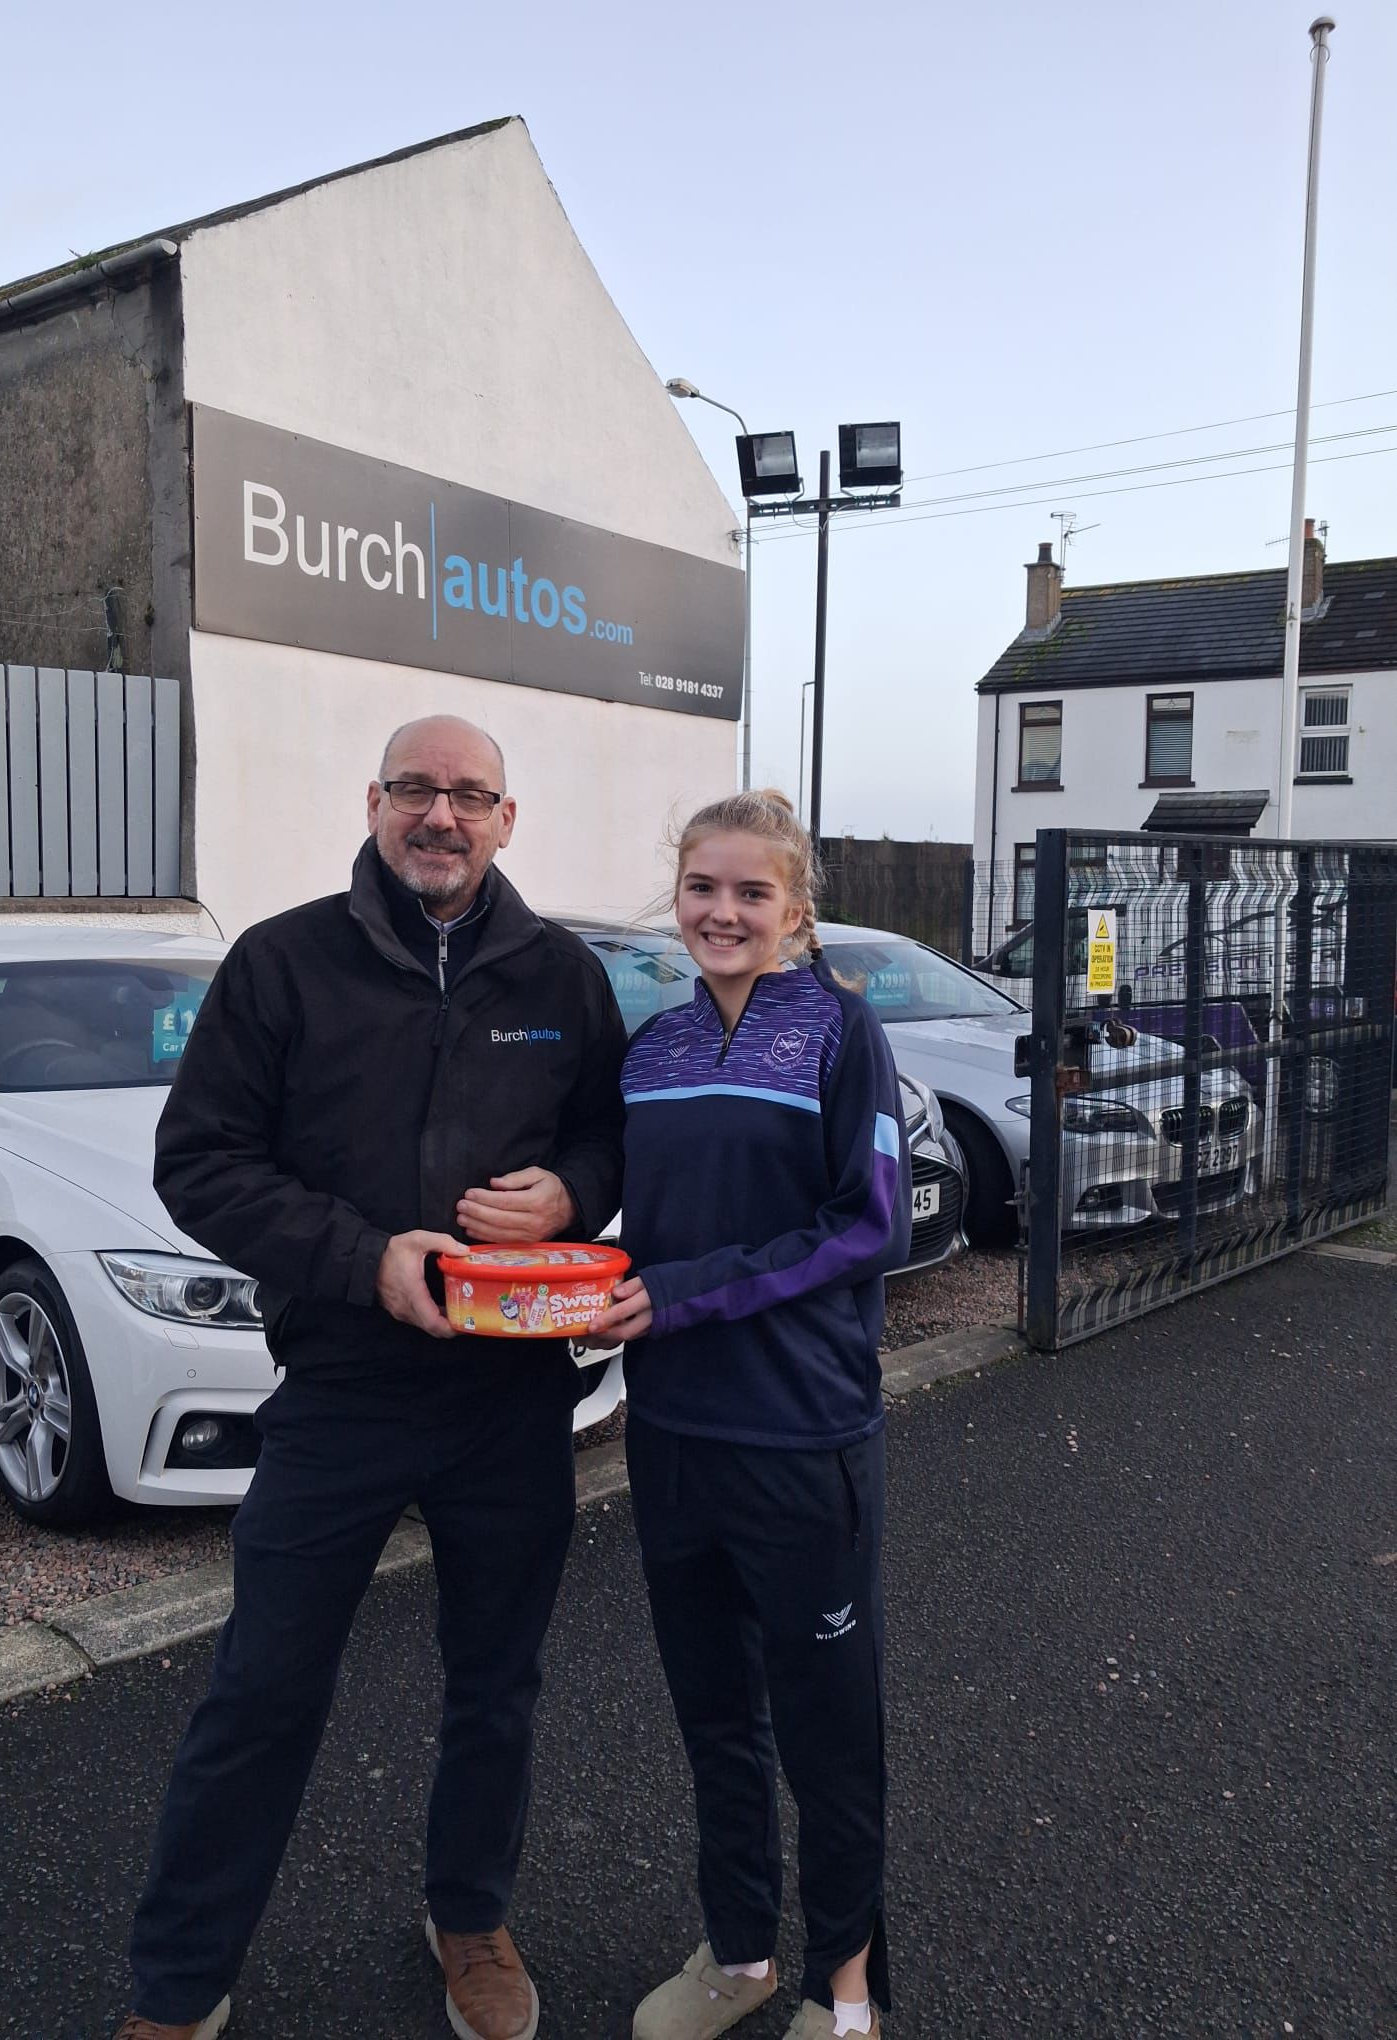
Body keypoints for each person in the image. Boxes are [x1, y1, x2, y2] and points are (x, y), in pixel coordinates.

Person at [116, 716, 626, 2040]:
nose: (439, 815)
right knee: (262, 1687)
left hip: (511, 1398)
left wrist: (571, 1192)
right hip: (340, 1389)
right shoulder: (282, 962)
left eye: (468, 795)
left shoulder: (561, 974)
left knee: (495, 1687)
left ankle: (469, 1918)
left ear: (506, 819)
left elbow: (608, 1136)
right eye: (415, 789)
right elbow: (200, 1163)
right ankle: (180, 1984)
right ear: (374, 802)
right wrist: (363, 1259)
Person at [586, 789, 912, 2040]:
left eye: (751, 892)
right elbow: (634, 1213)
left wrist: (681, 1294)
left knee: (829, 1729)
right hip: (674, 1435)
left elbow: (866, 1225)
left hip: (800, 1433)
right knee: (715, 1715)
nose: (722, 913)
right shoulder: (653, 1047)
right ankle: (740, 1953)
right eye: (702, 888)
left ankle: (847, 1986)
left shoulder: (841, 1032)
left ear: (795, 908)